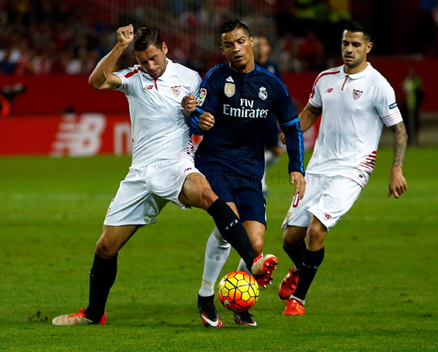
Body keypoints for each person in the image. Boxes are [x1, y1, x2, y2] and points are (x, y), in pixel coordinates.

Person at [51, 24, 277, 326]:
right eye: (143, 60)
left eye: (154, 58)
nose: (150, 66)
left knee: (207, 193)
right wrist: (119, 48)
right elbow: (96, 81)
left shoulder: (190, 78)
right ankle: (94, 314)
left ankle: (253, 260)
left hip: (176, 163)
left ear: (165, 49)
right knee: (105, 247)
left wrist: (192, 110)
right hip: (141, 173)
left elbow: (204, 115)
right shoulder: (133, 77)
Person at [279, 20, 408, 316]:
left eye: (356, 45)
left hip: (352, 169)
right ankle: (301, 270)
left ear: (368, 48)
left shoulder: (378, 85)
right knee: (290, 239)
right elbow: (312, 110)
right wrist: (294, 132)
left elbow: (399, 130)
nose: (349, 50)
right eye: (345, 44)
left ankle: (298, 299)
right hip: (318, 167)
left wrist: (396, 169)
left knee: (316, 231)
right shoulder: (325, 79)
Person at [182, 20, 306, 327]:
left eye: (239, 41)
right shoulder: (215, 76)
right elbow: (197, 116)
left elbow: (291, 127)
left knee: (255, 242)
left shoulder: (271, 84)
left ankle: (239, 299)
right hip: (215, 164)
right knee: (230, 225)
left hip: (251, 171)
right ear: (222, 49)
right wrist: (199, 121)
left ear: (251, 42)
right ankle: (206, 295)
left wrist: (295, 167)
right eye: (228, 44)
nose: (235, 48)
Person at [254, 36, 283, 196]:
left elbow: (280, 88)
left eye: (263, 44)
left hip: (269, 113)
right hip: (253, 114)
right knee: (256, 149)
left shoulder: (273, 66)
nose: (260, 47)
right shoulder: (250, 66)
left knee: (276, 151)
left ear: (268, 48)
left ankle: (259, 173)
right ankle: (262, 185)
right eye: (257, 45)